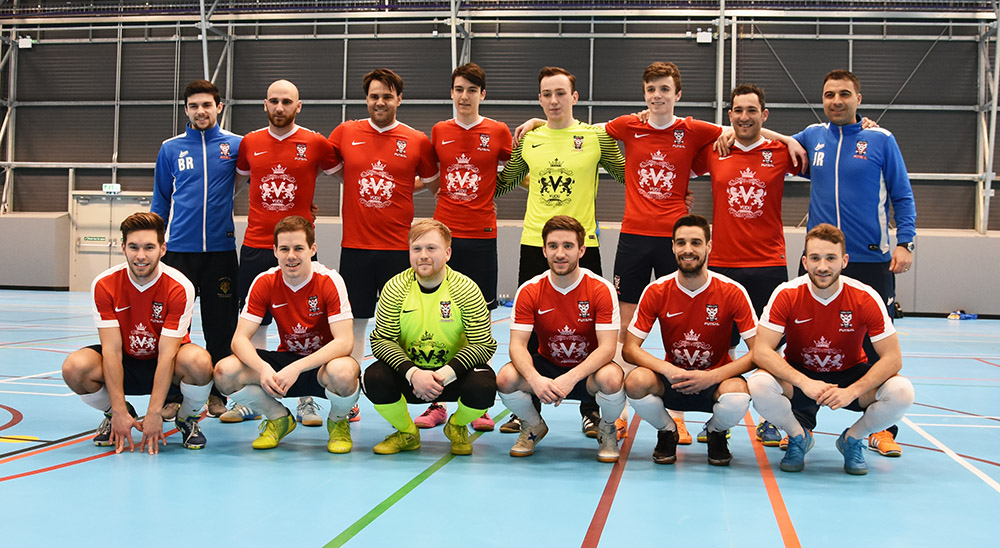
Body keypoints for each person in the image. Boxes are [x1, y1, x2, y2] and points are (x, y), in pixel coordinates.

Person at [790, 69, 917, 457]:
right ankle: (798, 422)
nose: (836, 101)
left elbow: (902, 194)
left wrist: (905, 243)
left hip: (870, 258)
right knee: (801, 342)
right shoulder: (812, 136)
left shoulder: (881, 139)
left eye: (844, 94)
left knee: (876, 347)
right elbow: (766, 142)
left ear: (858, 98)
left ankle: (881, 428)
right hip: (820, 261)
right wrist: (730, 133)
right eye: (829, 94)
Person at [495, 66, 625, 437]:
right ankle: (528, 410)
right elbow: (504, 183)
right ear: (539, 99)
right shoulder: (529, 140)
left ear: (574, 97)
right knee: (533, 330)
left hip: (585, 245)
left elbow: (628, 174)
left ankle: (590, 410)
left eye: (560, 93)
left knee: (589, 331)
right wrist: (463, 182)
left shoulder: (596, 137)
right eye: (547, 94)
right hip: (535, 243)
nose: (554, 101)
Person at [748, 223, 914, 475]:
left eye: (830, 258)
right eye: (815, 258)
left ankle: (852, 439)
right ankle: (798, 436)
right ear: (804, 262)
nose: (822, 266)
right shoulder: (786, 293)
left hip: (849, 375)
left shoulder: (865, 296)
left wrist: (852, 391)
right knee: (758, 384)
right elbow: (761, 351)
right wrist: (804, 383)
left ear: (844, 261)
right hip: (799, 375)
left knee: (902, 392)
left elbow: (893, 358)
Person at [691, 83, 798, 447]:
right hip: (723, 263)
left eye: (752, 110)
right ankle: (721, 418)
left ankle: (772, 419)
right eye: (738, 110)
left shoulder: (781, 152)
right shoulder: (715, 151)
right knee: (723, 347)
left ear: (764, 115)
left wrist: (784, 137)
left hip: (769, 263)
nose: (744, 117)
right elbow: (682, 159)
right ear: (730, 115)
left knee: (773, 348)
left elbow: (818, 151)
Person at [235, 79, 344, 427]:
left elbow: (350, 177)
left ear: (299, 106)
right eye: (274, 101)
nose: (279, 107)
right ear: (265, 105)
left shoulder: (316, 143)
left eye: (287, 101)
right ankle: (260, 395)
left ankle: (305, 398)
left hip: (297, 246)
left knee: (306, 324)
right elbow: (232, 185)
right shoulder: (249, 143)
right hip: (257, 244)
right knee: (256, 325)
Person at [61, 212, 213, 453]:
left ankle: (187, 418)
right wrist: (118, 410)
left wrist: (154, 413)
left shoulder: (179, 286)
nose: (141, 256)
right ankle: (114, 414)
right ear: (123, 248)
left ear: (162, 249)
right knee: (75, 367)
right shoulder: (104, 284)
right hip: (126, 361)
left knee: (199, 362)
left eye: (149, 247)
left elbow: (167, 355)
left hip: (166, 364)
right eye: (134, 247)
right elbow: (111, 351)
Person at [414, 62, 512, 432]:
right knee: (438, 322)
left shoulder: (498, 131)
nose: (465, 96)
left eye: (472, 90)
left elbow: (519, 169)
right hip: (443, 237)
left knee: (478, 323)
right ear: (452, 93)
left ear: (482, 94)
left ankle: (477, 402)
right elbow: (430, 178)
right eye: (459, 89)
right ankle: (436, 401)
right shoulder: (439, 131)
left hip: (482, 236)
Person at [327, 68, 439, 381]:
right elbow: (320, 165)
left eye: (387, 96)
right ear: (366, 99)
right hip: (355, 248)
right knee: (355, 323)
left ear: (399, 99)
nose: (380, 102)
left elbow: (436, 185)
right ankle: (349, 389)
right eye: (374, 96)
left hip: (398, 250)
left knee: (407, 325)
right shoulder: (345, 132)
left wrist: (399, 187)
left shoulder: (417, 140)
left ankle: (413, 384)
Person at [214, 215, 360, 452]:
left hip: (323, 365)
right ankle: (278, 418)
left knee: (344, 373)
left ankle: (338, 422)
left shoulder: (330, 280)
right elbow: (239, 339)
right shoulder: (265, 281)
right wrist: (263, 368)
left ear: (312, 249)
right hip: (286, 360)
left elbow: (345, 342)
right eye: (284, 249)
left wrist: (297, 368)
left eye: (298, 248)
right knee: (224, 372)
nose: (291, 255)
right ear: (275, 251)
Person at [622, 214, 757, 466]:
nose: (688, 250)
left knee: (738, 395)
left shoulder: (732, 291)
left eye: (696, 242)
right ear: (673, 247)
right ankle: (667, 431)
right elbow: (630, 349)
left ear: (709, 246)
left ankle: (716, 433)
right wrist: (668, 370)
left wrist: (712, 376)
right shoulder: (656, 290)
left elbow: (758, 353)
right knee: (636, 382)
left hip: (715, 380)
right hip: (673, 379)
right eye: (681, 243)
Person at [496, 215, 626, 462]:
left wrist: (571, 378)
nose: (560, 254)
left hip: (587, 372)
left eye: (568, 246)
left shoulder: (600, 288)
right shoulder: (530, 289)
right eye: (553, 246)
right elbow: (518, 346)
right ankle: (533, 425)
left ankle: (607, 429)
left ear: (581, 250)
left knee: (611, 378)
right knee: (506, 378)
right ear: (544, 250)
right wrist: (534, 379)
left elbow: (608, 348)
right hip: (547, 366)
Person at [362, 219, 497, 455]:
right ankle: (407, 432)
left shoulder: (466, 289)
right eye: (416, 249)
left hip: (452, 375)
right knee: (373, 377)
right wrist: (414, 374)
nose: (423, 255)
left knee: (485, 385)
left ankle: (457, 426)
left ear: (447, 253)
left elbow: (483, 344)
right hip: (411, 376)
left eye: (431, 248)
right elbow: (382, 340)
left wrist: (443, 375)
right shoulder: (395, 288)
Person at [152, 79, 241, 420]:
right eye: (194, 106)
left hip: (221, 252)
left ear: (219, 107)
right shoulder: (170, 149)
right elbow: (161, 199)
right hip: (179, 253)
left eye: (207, 105)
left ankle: (218, 394)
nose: (200, 111)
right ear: (186, 109)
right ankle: (173, 394)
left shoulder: (236, 145)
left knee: (222, 328)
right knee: (175, 329)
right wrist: (155, 242)